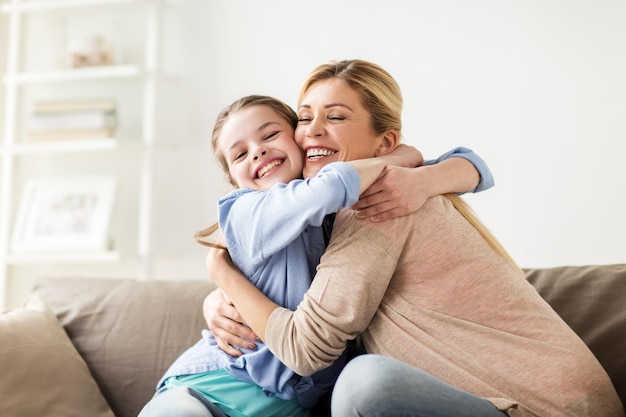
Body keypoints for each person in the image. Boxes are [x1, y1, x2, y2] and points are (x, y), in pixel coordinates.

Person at [204, 59, 625, 417]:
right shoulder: (347, 207)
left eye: (335, 117)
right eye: (304, 117)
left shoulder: (381, 204)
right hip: (499, 402)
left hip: (545, 407)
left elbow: (304, 350)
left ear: (383, 141)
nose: (312, 131)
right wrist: (214, 302)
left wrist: (222, 274)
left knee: (365, 382)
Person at [138, 94, 491, 417]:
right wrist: (396, 158)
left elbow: (473, 166)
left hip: (292, 406)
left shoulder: (345, 209)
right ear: (234, 180)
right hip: (209, 387)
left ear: (299, 139)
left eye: (270, 134)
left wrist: (423, 177)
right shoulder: (246, 211)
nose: (258, 152)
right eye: (240, 154)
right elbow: (331, 186)